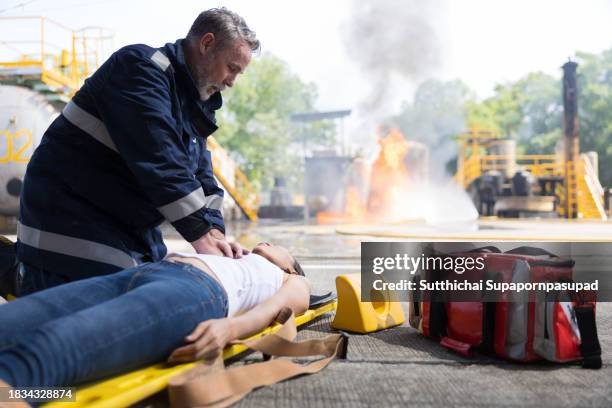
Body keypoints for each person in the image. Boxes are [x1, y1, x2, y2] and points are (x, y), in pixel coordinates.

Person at [16, 8, 260, 295]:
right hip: (70, 236)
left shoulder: (190, 103)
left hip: (123, 231)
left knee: (159, 289)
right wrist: (201, 237)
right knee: (144, 306)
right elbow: (162, 163)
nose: (232, 81)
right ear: (206, 44)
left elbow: (201, 175)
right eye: (232, 68)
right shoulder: (138, 69)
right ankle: (16, 272)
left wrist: (216, 234)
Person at [0, 242, 310, 388]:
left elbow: (273, 312)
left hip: (197, 293)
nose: (270, 242)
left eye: (283, 248)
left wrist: (229, 329)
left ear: (289, 266)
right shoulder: (232, 253)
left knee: (50, 349)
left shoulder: (293, 281)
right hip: (144, 273)